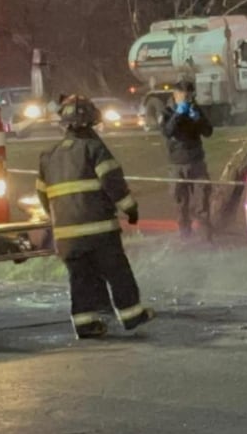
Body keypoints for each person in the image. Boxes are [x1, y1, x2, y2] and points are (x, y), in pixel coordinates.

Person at [36, 95, 154, 339]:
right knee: (118, 272)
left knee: (81, 279)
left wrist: (58, 218)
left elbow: (43, 194)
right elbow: (113, 183)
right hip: (99, 231)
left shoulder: (48, 155)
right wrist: (130, 209)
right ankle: (132, 315)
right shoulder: (94, 149)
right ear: (91, 123)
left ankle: (85, 324)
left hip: (66, 235)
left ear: (65, 124)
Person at [161, 80, 214, 240]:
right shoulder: (167, 111)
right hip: (177, 164)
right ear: (175, 95)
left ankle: (205, 237)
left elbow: (208, 132)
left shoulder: (195, 109)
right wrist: (178, 115)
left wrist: (198, 118)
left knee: (202, 200)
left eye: (189, 97)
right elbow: (167, 132)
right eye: (183, 97)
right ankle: (185, 236)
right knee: (180, 203)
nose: (187, 100)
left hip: (197, 162)